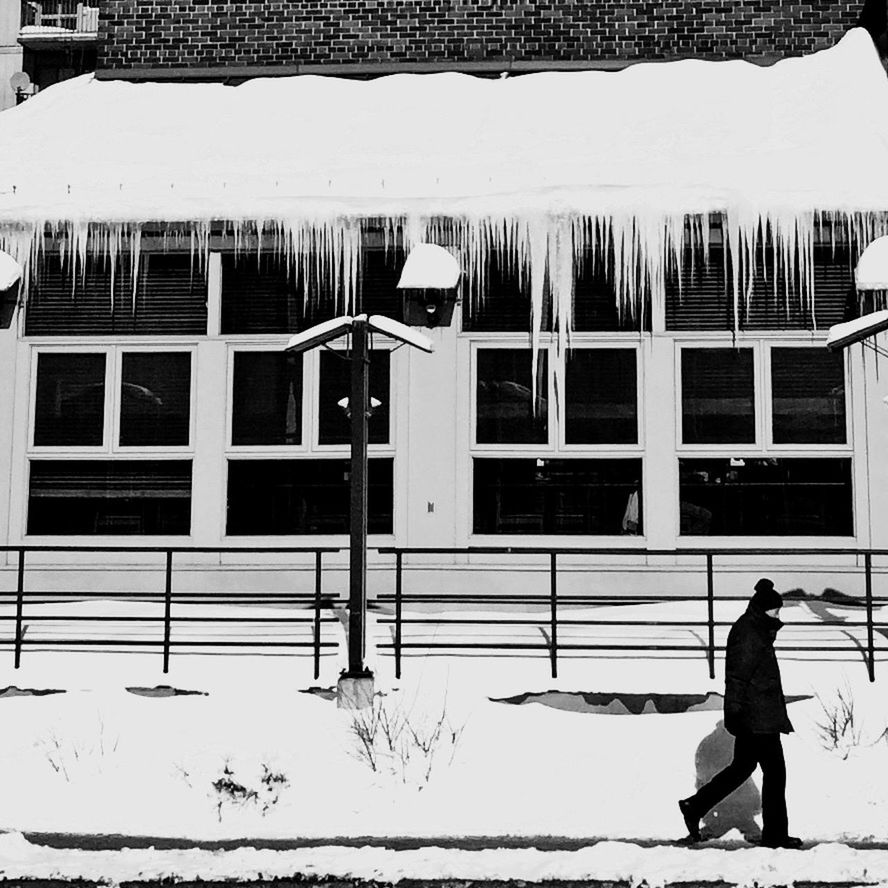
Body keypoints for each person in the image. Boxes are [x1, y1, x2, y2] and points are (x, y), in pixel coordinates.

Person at [678, 578, 802, 849]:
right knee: (775, 773)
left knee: (741, 769)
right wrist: (734, 712)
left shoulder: (756, 628)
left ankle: (694, 806)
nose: (778, 615)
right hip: (756, 718)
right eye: (775, 610)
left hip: (759, 715)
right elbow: (737, 677)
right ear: (762, 609)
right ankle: (775, 835)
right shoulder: (749, 633)